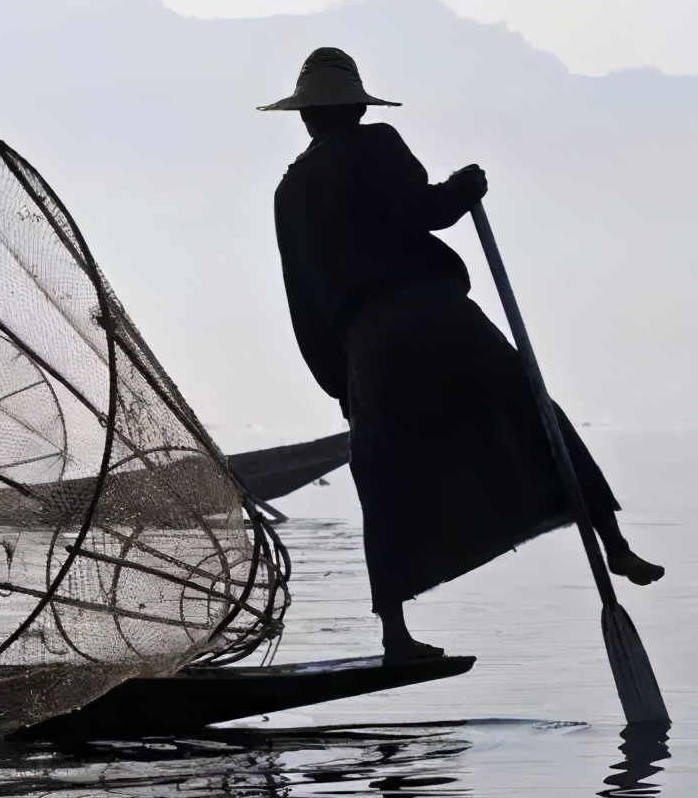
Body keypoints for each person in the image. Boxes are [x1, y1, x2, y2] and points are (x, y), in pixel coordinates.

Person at [262, 48, 663, 660]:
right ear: (355, 108)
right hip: (437, 315)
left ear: (306, 118)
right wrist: (465, 187)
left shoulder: (288, 192)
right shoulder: (377, 144)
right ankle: (614, 543)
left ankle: (395, 634)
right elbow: (424, 211)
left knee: (382, 474)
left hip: (369, 342)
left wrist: (341, 380)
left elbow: (304, 299)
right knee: (534, 411)